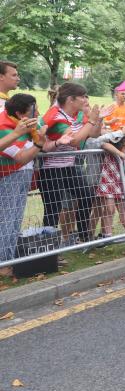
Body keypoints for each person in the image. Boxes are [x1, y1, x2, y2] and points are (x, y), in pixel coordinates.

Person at [39, 83, 102, 243]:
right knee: (53, 209)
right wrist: (91, 121)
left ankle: (83, 236)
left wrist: (95, 120)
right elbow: (74, 141)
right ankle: (48, 249)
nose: (84, 100)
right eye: (81, 97)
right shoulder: (56, 115)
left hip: (68, 166)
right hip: (51, 169)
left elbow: (89, 135)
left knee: (87, 195)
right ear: (70, 100)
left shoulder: (70, 115)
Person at [0, 94, 47, 273]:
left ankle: (8, 259)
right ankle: (3, 264)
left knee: (14, 219)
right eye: (34, 110)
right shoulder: (5, 126)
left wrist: (39, 139)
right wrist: (39, 145)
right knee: (8, 219)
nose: (39, 113)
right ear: (20, 114)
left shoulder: (22, 124)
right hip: (9, 176)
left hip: (19, 175)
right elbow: (20, 158)